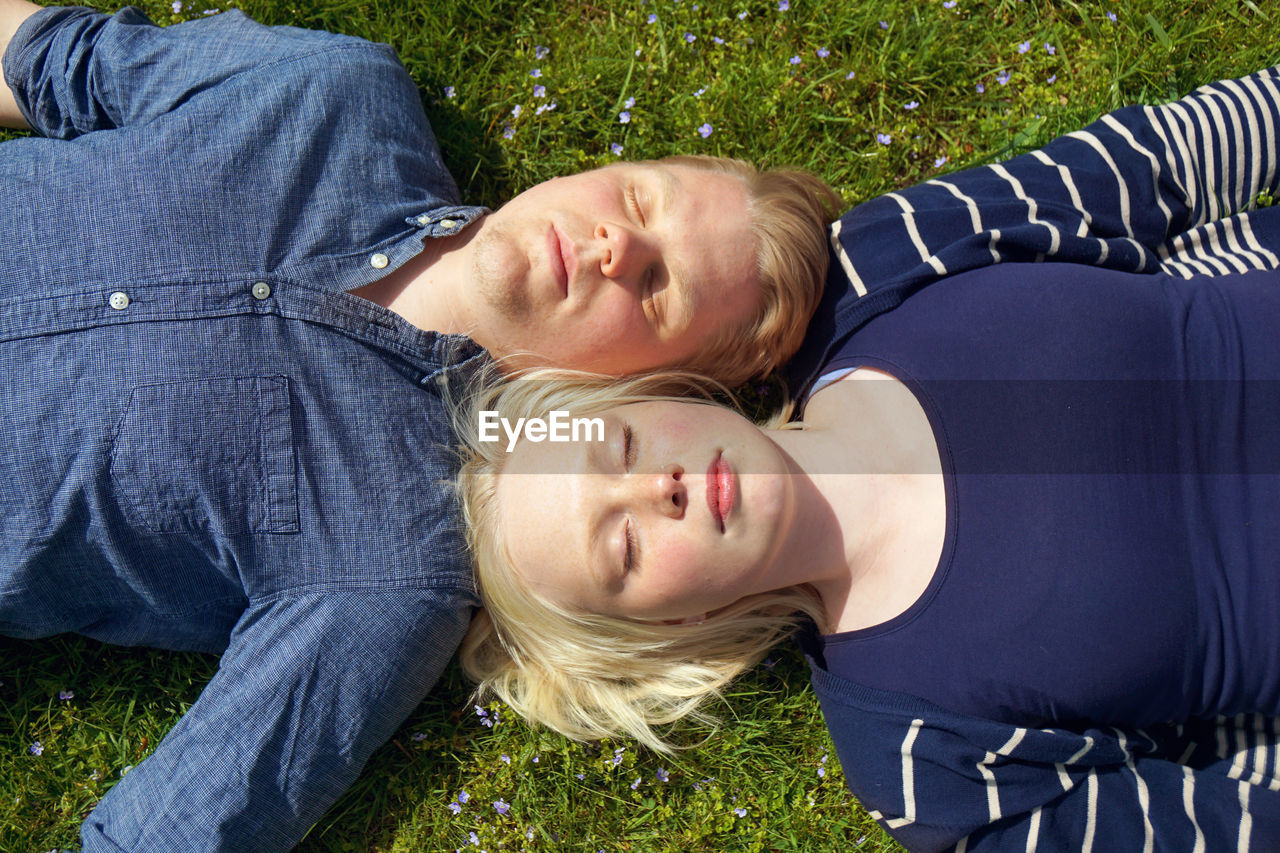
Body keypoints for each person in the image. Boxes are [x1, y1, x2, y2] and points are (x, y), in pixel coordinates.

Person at [0, 2, 839, 850]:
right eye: (639, 199)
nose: (615, 240)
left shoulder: (393, 568)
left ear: (656, 387)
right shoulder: (331, 93)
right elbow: (47, 59)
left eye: (659, 288)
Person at [455, 62, 1280, 853]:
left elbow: (1159, 162)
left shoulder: (878, 268)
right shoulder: (924, 759)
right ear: (676, 626)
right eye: (623, 548)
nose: (653, 488)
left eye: (619, 446)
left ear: (654, 394)